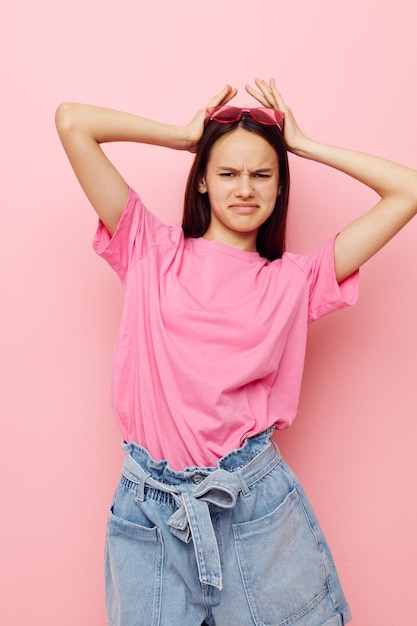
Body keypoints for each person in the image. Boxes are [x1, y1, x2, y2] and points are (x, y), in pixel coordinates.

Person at [55, 78, 417, 626]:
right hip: (151, 509)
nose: (244, 188)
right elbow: (72, 121)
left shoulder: (296, 281)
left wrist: (306, 145)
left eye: (261, 174)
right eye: (226, 172)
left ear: (278, 188)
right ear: (201, 180)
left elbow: (408, 191)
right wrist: (182, 136)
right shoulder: (149, 250)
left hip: (252, 502)